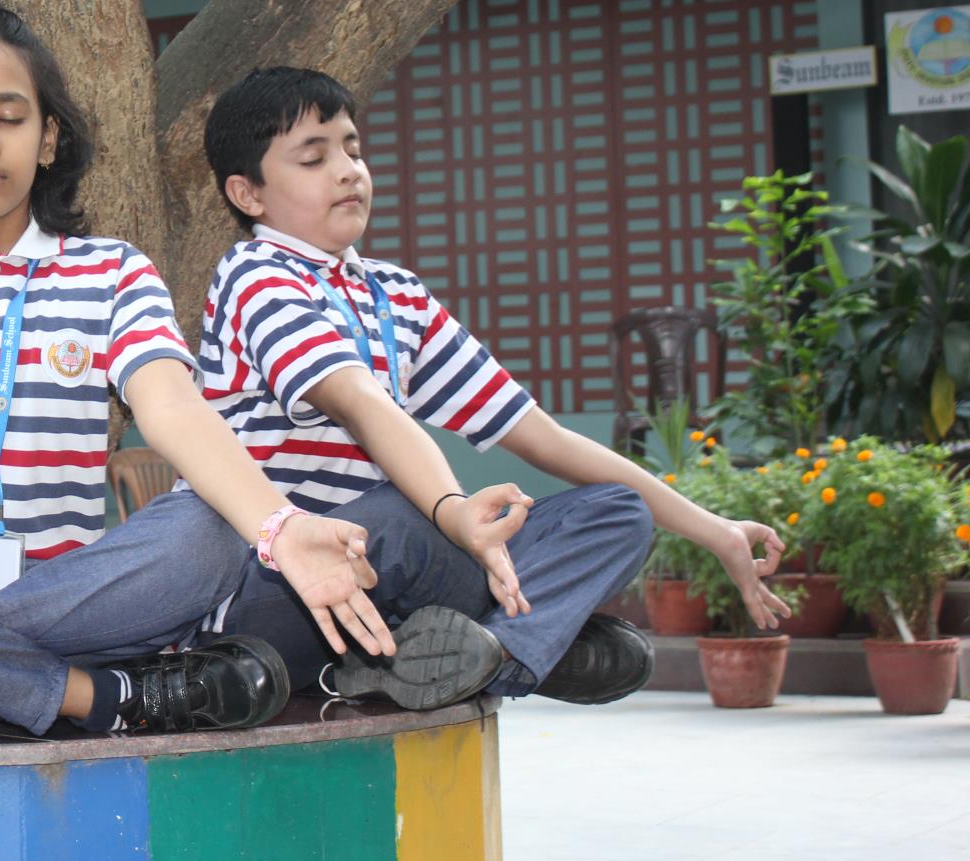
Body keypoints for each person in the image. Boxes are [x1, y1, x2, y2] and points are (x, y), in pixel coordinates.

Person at [0, 0, 479, 748]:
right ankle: (102, 696)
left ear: (48, 139)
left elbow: (170, 407)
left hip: (78, 597)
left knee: (209, 531)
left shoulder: (112, 270)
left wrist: (281, 526)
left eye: (9, 117)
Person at [195, 66, 790, 708]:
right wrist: (456, 513)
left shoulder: (396, 294)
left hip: (388, 574)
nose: (346, 170)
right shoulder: (253, 275)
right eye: (313, 158)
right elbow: (361, 405)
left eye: (353, 149)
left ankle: (491, 655)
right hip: (279, 589)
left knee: (618, 511)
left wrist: (716, 530)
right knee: (402, 513)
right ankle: (521, 645)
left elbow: (546, 439)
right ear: (248, 194)